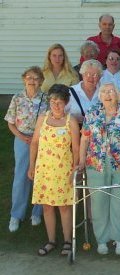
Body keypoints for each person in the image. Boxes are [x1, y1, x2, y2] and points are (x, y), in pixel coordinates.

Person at [78, 82, 120, 255]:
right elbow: (84, 139)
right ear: (100, 95)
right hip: (96, 164)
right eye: (104, 91)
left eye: (111, 91)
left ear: (117, 94)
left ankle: (119, 239)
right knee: (98, 203)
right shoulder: (92, 112)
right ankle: (102, 240)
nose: (108, 94)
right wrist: (82, 160)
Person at [28, 84, 80, 256]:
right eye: (52, 101)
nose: (55, 105)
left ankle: (67, 241)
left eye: (59, 102)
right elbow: (34, 143)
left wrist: (76, 169)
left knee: (64, 207)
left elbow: (76, 148)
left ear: (65, 103)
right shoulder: (42, 118)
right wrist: (31, 165)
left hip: (63, 170)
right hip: (43, 169)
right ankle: (51, 240)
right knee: (47, 207)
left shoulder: (70, 121)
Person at [5, 66, 48, 232]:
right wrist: (21, 136)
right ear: (24, 79)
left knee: (39, 175)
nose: (32, 81)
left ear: (41, 81)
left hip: (42, 141)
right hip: (22, 139)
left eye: (36, 78)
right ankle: (16, 214)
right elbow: (10, 122)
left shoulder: (46, 99)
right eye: (29, 78)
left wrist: (39, 138)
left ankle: (37, 212)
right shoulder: (17, 98)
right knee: (21, 175)